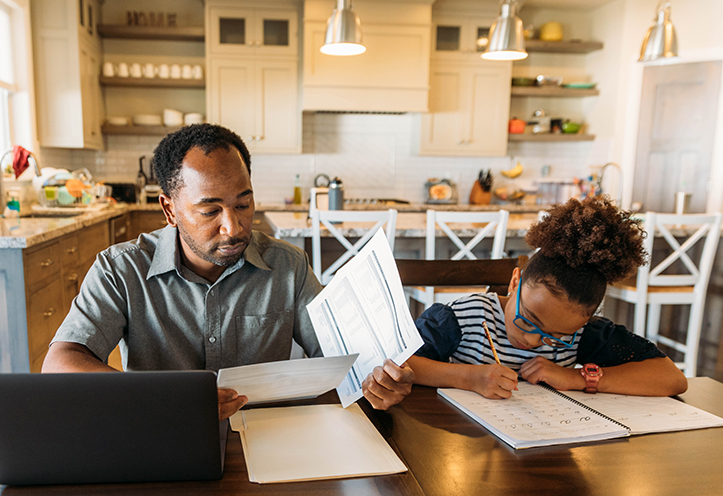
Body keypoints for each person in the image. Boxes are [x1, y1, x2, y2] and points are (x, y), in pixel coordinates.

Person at [43, 123, 414, 419]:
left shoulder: (288, 265)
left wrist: (378, 381)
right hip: (164, 432)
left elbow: (345, 357)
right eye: (210, 211)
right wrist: (168, 401)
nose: (234, 228)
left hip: (270, 434)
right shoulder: (121, 269)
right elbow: (60, 363)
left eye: (244, 203)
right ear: (170, 210)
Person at [406, 197, 688, 399]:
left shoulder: (581, 334)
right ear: (515, 282)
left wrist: (574, 377)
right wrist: (469, 378)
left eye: (555, 336)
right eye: (528, 320)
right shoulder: (463, 317)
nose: (532, 342)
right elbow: (402, 364)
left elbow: (671, 378)